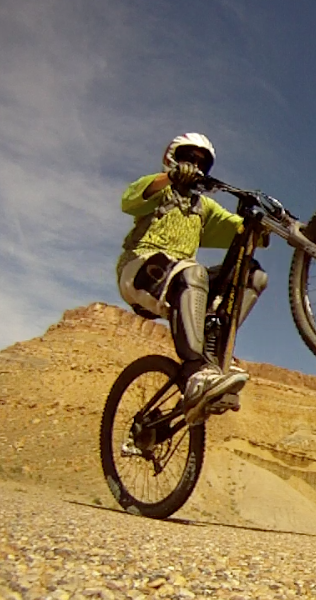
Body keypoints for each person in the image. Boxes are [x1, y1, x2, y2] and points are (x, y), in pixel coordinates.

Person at [116, 133, 268, 423]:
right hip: (139, 270)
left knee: (253, 275)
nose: (195, 166)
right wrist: (170, 177)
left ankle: (213, 358)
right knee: (192, 270)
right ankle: (197, 366)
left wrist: (272, 226)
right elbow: (130, 199)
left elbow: (242, 231)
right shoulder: (159, 191)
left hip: (182, 281)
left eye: (201, 163)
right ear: (172, 157)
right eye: (188, 157)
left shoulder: (204, 208)